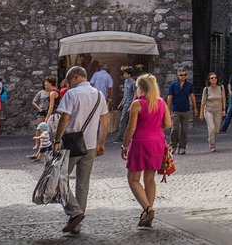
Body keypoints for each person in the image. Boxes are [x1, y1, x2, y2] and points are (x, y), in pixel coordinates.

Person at [52, 65, 109, 235]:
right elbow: (105, 122)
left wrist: (56, 140)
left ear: (76, 77)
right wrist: (101, 143)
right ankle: (76, 224)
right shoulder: (99, 95)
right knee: (83, 184)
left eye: (70, 81)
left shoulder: (72, 94)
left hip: (72, 144)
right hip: (90, 145)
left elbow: (64, 118)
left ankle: (75, 212)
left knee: (58, 179)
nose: (69, 85)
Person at [121, 73, 171, 228]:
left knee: (133, 179)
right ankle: (147, 212)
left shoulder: (138, 104)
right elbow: (168, 123)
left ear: (140, 88)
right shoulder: (161, 102)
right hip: (157, 142)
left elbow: (131, 128)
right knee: (150, 179)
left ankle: (148, 209)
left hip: (140, 142)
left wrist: (124, 145)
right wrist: (154, 129)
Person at [165, 68, 198, 154]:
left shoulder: (189, 85)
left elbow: (192, 96)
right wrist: (168, 109)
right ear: (178, 75)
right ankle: (173, 145)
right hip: (175, 109)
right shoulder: (173, 85)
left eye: (185, 75)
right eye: (181, 75)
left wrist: (195, 108)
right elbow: (169, 96)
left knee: (184, 130)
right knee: (174, 129)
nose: (183, 77)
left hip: (186, 110)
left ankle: (182, 147)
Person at [200, 72, 226, 152]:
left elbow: (223, 99)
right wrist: (201, 113)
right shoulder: (206, 89)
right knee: (212, 128)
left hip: (218, 111)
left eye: (215, 77)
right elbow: (203, 101)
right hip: (208, 111)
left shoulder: (221, 88)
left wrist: (224, 109)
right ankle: (212, 145)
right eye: (212, 78)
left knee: (216, 129)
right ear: (209, 80)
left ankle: (211, 138)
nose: (214, 79)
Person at [115, 67, 137, 144]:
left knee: (123, 119)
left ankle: (120, 136)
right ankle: (122, 135)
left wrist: (131, 105)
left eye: (125, 74)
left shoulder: (133, 83)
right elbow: (125, 94)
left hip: (129, 102)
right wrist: (121, 103)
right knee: (124, 119)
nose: (124, 75)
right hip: (125, 102)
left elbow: (135, 94)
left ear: (129, 74)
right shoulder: (125, 82)